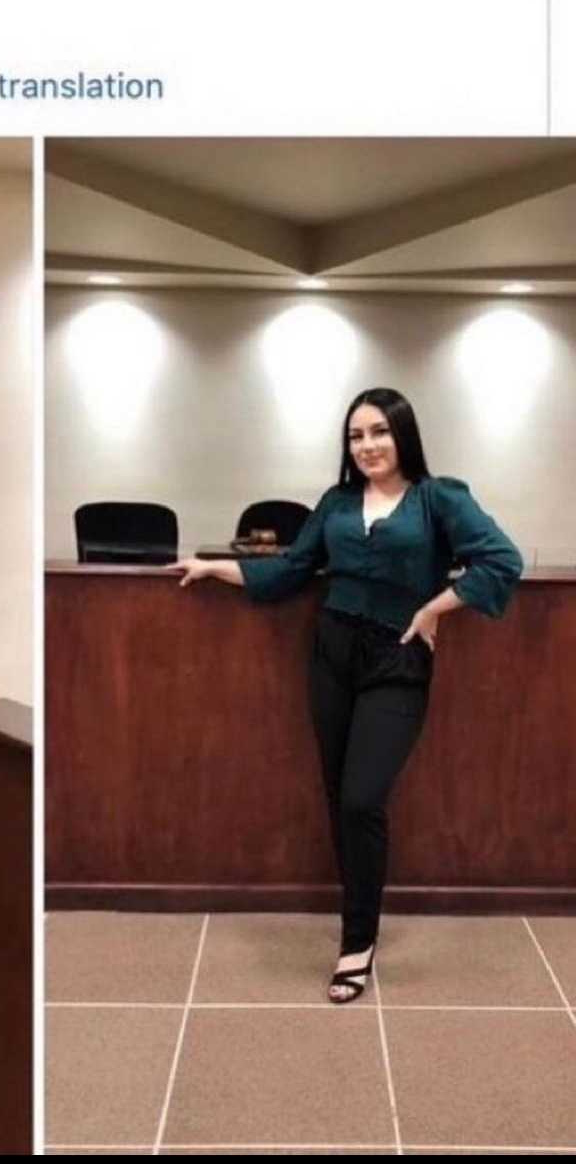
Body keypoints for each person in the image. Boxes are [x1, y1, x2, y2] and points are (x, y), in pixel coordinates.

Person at [170, 387, 522, 1004]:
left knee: (362, 799)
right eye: (356, 436)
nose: (367, 446)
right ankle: (356, 930)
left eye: (379, 432)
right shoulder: (335, 502)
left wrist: (438, 607)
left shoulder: (440, 498)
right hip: (331, 656)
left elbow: (502, 561)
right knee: (339, 798)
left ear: (403, 435)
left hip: (397, 659)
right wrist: (213, 567)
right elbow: (290, 570)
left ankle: (358, 942)